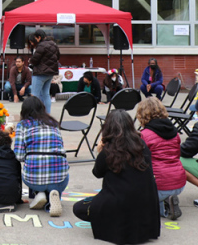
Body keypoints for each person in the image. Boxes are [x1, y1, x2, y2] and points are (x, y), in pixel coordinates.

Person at [73, 110, 160, 245]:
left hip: (117, 202)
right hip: (145, 206)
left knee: (79, 207)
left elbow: (97, 173)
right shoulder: (142, 146)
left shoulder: (108, 150)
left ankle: (112, 220)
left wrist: (100, 151)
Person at [12, 96, 69, 217]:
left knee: (33, 166)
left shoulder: (22, 125)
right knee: (61, 171)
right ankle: (52, 197)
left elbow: (18, 155)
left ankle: (40, 194)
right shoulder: (53, 123)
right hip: (60, 178)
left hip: (34, 180)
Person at [136, 97, 185, 220]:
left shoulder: (144, 135)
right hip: (179, 183)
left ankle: (164, 208)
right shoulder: (175, 133)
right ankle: (168, 199)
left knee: (135, 202)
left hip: (159, 184)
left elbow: (139, 162)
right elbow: (178, 155)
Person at [27, 30, 60, 114]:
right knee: (46, 95)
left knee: (34, 95)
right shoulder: (54, 44)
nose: (36, 40)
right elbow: (58, 56)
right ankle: (47, 114)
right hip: (50, 73)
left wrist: (30, 60)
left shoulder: (41, 45)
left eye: (36, 38)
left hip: (40, 73)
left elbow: (35, 60)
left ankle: (34, 115)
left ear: (39, 37)